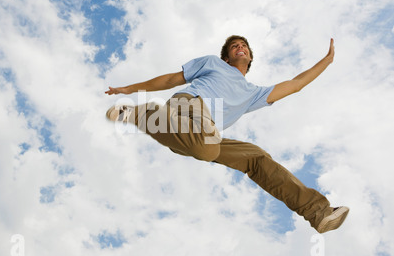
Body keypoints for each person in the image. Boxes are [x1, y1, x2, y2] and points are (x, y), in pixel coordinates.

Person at [105, 35, 349, 234]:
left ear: (250, 56)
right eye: (234, 46)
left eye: (243, 45)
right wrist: (130, 88)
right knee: (208, 145)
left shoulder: (254, 94)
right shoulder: (213, 63)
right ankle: (141, 113)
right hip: (187, 108)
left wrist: (326, 61)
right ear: (227, 56)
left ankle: (318, 213)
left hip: (195, 135)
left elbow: (296, 84)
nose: (239, 47)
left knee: (256, 157)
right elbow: (171, 79)